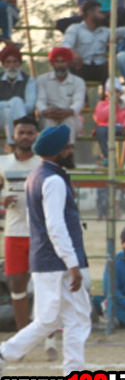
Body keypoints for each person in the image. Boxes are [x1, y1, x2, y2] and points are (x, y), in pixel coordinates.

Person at [0, 125, 91, 375]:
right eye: (67, 147)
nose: (71, 150)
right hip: (57, 261)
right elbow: (55, 225)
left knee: (67, 318)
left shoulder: (37, 175)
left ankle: (73, 374)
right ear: (57, 151)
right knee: (59, 319)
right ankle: (5, 353)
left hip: (47, 259)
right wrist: (72, 263)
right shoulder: (52, 179)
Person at [0, 116, 54, 359]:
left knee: (46, 286)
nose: (25, 137)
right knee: (17, 287)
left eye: (30, 133)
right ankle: (21, 343)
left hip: (40, 234)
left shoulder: (43, 164)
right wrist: (2, 200)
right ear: (13, 135)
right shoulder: (3, 163)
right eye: (21, 132)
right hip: (14, 233)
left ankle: (50, 340)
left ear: (36, 136)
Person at [93, 78, 125, 170]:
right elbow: (99, 117)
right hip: (107, 127)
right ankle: (107, 157)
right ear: (106, 93)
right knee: (100, 132)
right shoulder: (102, 104)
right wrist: (111, 106)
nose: (114, 94)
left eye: (116, 91)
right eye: (111, 91)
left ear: (120, 93)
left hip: (122, 128)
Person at [36, 48, 85, 141]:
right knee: (50, 120)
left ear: (69, 63)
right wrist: (46, 111)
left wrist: (68, 111)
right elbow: (40, 100)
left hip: (72, 118)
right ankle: (50, 149)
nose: (60, 65)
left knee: (68, 119)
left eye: (63, 61)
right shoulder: (42, 79)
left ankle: (69, 148)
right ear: (52, 63)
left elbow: (79, 102)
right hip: (48, 116)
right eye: (57, 62)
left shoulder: (78, 81)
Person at [61, 0, 110, 85]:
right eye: (100, 13)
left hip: (100, 66)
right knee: (75, 71)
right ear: (91, 13)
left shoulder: (105, 31)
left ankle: (108, 93)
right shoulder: (75, 28)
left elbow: (123, 31)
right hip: (81, 65)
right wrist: (73, 53)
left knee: (109, 74)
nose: (103, 16)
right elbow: (65, 45)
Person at [0, 44, 34, 145]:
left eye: (15, 62)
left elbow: (30, 107)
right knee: (16, 101)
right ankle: (20, 139)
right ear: (3, 64)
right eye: (8, 62)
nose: (12, 66)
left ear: (20, 63)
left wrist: (11, 108)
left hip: (19, 116)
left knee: (15, 103)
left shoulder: (29, 80)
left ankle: (12, 143)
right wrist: (11, 105)